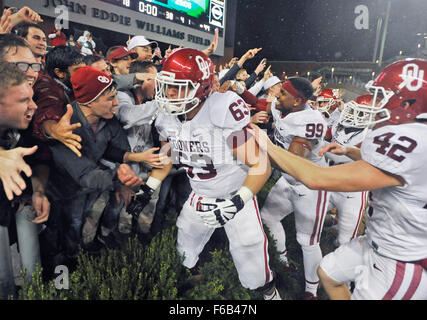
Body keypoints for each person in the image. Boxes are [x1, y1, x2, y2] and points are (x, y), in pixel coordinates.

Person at [248, 59, 427, 300]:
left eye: (383, 97)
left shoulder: (413, 142)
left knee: (328, 242)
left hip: (401, 259)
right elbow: (392, 167)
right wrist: (352, 152)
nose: (378, 104)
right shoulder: (411, 137)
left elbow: (316, 177)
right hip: (379, 237)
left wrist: (267, 145)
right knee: (329, 272)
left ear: (408, 102)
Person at [140, 48, 281, 300]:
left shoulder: (220, 109)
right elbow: (168, 156)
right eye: (167, 85)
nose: (170, 93)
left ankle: (268, 293)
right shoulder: (168, 118)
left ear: (201, 87)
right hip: (200, 193)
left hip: (235, 192)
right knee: (185, 239)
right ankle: (194, 275)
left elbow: (261, 164)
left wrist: (238, 200)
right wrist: (148, 187)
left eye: (178, 87)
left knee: (248, 248)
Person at [259, 77, 329, 300]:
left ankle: (311, 290)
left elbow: (295, 161)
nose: (277, 97)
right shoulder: (287, 107)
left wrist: (261, 151)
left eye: (283, 95)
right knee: (268, 217)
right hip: (287, 180)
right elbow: (261, 103)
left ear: (298, 100)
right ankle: (283, 261)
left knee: (307, 240)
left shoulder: (311, 120)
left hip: (310, 185)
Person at [0, 62, 49, 298]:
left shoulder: (20, 129)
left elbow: (39, 157)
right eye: (23, 101)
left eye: (32, 97)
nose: (34, 106)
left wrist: (38, 192)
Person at [325, 94, 374, 247]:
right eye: (352, 111)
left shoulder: (371, 135)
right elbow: (323, 139)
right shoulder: (338, 127)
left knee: (343, 242)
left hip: (352, 192)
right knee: (310, 215)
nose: (352, 115)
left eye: (359, 113)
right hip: (330, 183)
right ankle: (332, 221)